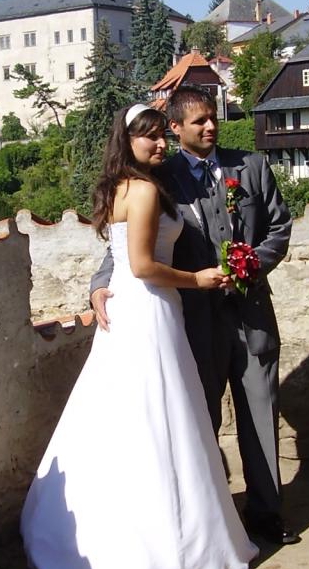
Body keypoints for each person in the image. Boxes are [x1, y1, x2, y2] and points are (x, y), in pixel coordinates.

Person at [20, 103, 258, 569]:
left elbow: (120, 255)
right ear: (128, 141)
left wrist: (104, 287)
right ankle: (167, 542)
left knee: (130, 415)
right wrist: (197, 279)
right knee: (159, 416)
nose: (160, 144)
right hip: (149, 306)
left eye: (162, 136)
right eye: (149, 137)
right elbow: (143, 265)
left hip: (135, 308)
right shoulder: (146, 190)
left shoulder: (121, 187)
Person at [91, 87, 297, 545]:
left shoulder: (252, 166)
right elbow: (130, 242)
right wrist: (100, 283)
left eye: (213, 118)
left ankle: (266, 513)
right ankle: (213, 516)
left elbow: (279, 227)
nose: (210, 126)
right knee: (199, 420)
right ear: (177, 128)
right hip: (192, 322)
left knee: (261, 411)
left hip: (252, 313)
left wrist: (251, 264)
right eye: (199, 121)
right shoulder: (158, 178)